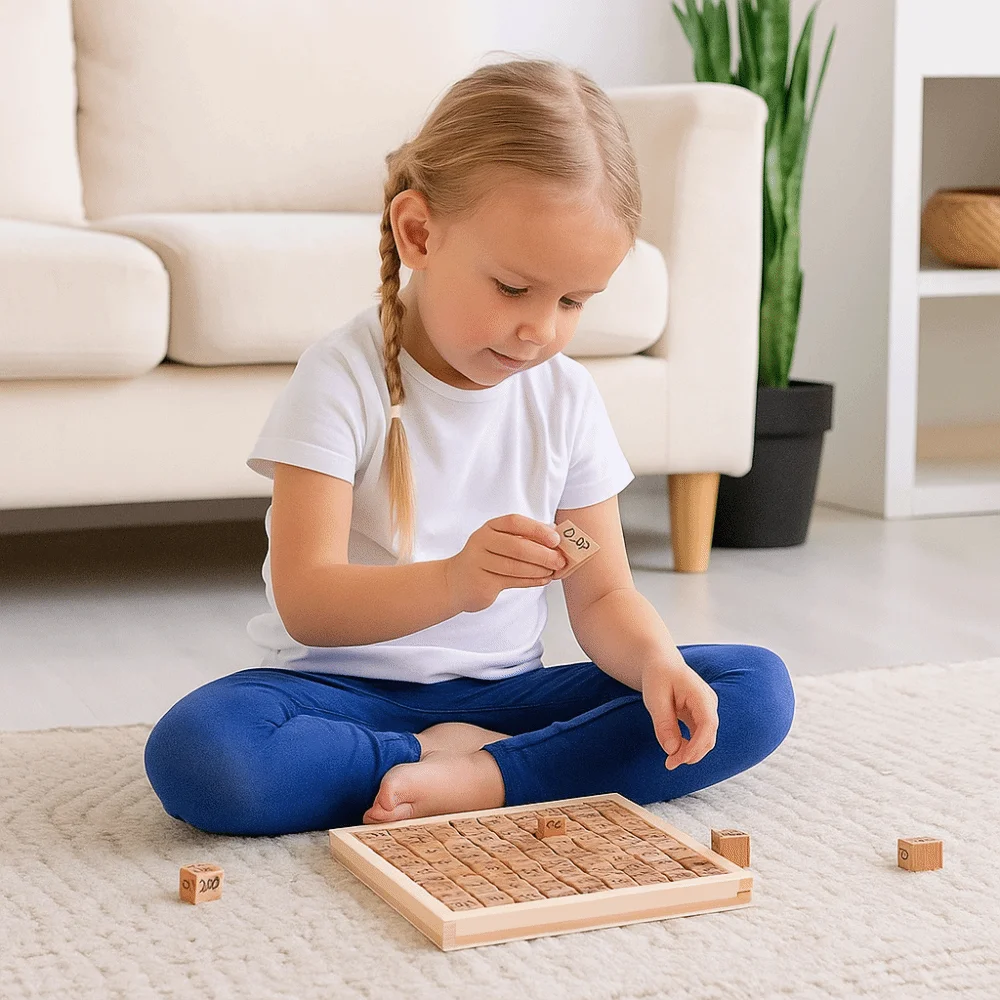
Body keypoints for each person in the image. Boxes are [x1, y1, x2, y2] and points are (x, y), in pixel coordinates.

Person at [144, 56, 795, 838]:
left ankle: (484, 775)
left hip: (506, 699)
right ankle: (455, 759)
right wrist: (456, 581)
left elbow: (602, 596)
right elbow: (307, 603)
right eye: (513, 288)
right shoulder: (339, 378)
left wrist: (657, 661)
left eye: (573, 301)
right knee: (203, 754)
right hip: (341, 694)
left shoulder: (566, 399)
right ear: (419, 233)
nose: (540, 330)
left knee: (753, 688)